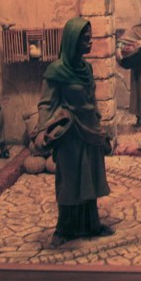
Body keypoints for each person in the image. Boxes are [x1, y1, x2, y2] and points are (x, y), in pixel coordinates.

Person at [35, 17, 113, 247]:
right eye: (85, 39)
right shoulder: (56, 71)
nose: (90, 42)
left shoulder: (86, 69)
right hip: (70, 134)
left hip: (90, 132)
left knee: (90, 179)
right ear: (72, 41)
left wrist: (100, 127)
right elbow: (46, 103)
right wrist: (42, 129)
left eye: (90, 37)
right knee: (69, 182)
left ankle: (91, 224)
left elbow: (91, 100)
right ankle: (64, 228)